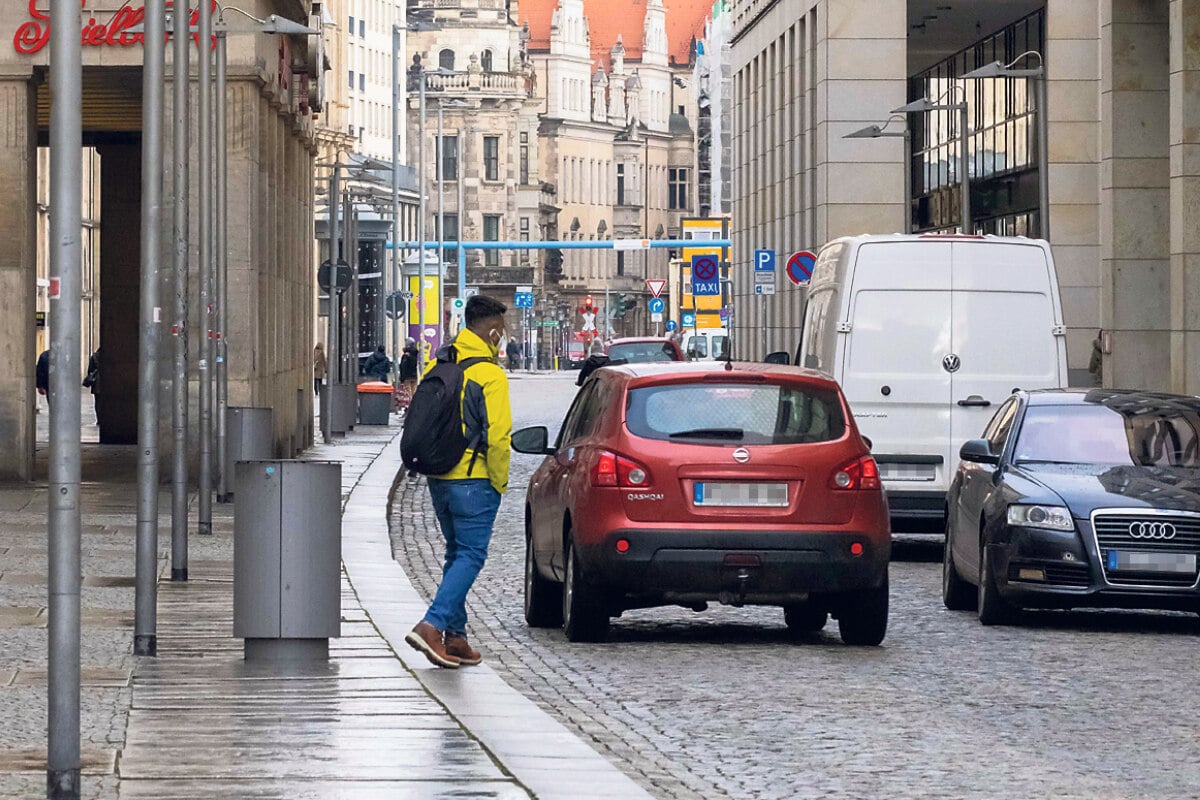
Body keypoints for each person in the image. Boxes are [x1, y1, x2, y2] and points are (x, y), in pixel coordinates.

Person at [405, 295, 512, 669]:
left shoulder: (441, 362)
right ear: (494, 330)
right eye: (505, 327)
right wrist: (499, 483)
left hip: (440, 477)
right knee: (471, 555)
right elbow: (499, 437)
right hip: (474, 479)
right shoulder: (490, 374)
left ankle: (457, 637)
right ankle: (433, 625)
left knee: (455, 553)